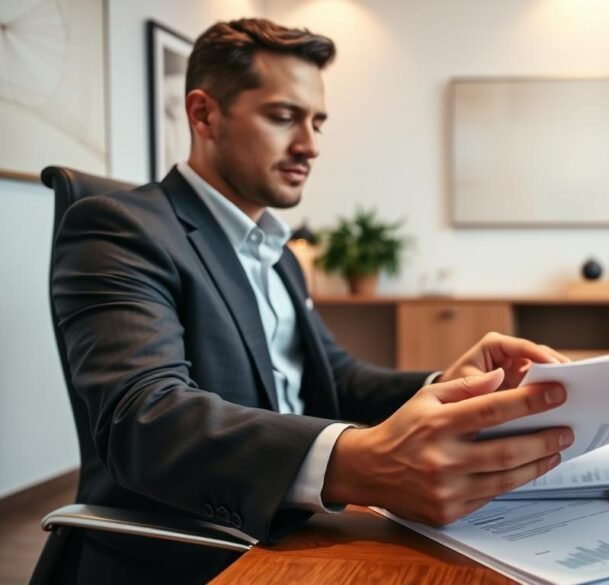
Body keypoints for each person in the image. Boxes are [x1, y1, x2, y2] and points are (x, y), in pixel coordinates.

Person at [50, 18, 573, 584]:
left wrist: (447, 387)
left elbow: (335, 378)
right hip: (197, 548)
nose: (311, 145)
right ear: (203, 115)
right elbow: (145, 416)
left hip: (298, 526)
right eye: (283, 117)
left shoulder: (280, 252)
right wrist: (356, 462)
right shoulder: (120, 228)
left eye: (317, 122)